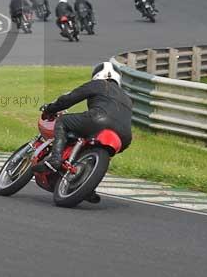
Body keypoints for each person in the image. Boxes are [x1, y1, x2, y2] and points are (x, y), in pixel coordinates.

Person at [32, 62, 133, 203]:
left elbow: (70, 98)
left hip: (98, 120)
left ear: (97, 75)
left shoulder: (99, 84)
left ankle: (55, 159)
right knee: (91, 146)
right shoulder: (127, 98)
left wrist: (50, 108)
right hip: (124, 136)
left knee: (63, 121)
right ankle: (86, 182)